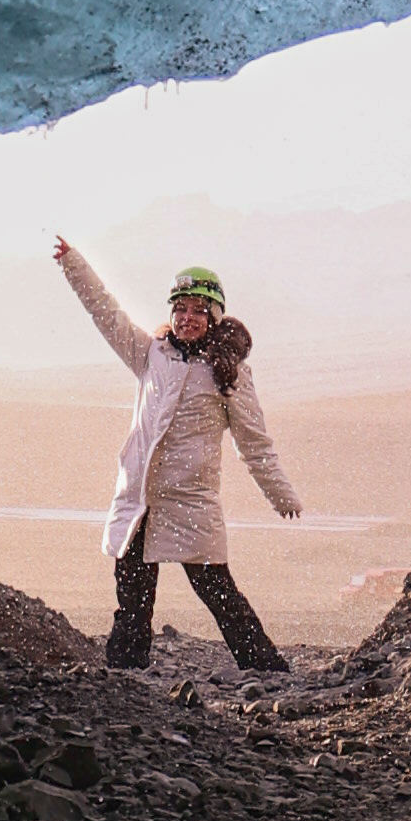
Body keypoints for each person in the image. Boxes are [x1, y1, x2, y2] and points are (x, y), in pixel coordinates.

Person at [53, 238, 301, 673]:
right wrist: (74, 264)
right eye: (180, 308)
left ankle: (266, 668)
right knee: (132, 593)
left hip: (191, 502)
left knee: (218, 592)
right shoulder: (150, 354)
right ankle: (125, 672)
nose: (187, 318)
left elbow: (255, 443)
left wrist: (281, 495)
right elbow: (106, 312)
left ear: (214, 316)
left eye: (198, 310)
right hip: (140, 498)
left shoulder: (229, 374)